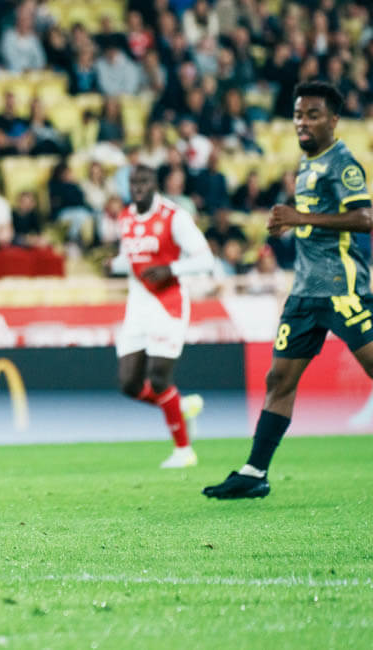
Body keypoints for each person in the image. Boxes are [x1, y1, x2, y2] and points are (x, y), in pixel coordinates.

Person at [204, 82, 373, 499]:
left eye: (313, 115)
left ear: (333, 120)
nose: (302, 122)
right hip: (304, 294)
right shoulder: (306, 163)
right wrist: (289, 224)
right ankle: (254, 472)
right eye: (298, 114)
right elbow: (312, 221)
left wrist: (299, 218)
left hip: (341, 289)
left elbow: (365, 218)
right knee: (279, 379)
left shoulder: (343, 163)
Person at [112, 165, 213, 468]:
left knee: (158, 378)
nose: (138, 187)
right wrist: (113, 265)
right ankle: (180, 406)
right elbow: (131, 258)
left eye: (144, 182)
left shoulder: (174, 216)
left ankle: (184, 451)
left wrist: (171, 269)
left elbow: (206, 259)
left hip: (167, 304)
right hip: (137, 307)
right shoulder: (125, 217)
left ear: (154, 184)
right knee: (129, 384)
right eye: (134, 182)